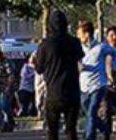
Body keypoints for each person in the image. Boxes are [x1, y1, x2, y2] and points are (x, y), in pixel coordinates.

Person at [34, 10, 84, 140]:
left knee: (52, 130)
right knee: (71, 129)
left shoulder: (45, 44)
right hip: (72, 90)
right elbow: (80, 57)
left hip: (53, 91)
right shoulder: (74, 42)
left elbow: (39, 69)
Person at [76, 20, 115, 140]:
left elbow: (113, 55)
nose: (78, 37)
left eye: (80, 34)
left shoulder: (101, 47)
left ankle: (89, 137)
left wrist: (110, 72)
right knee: (88, 113)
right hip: (84, 86)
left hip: (98, 85)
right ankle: (104, 128)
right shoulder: (78, 48)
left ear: (87, 34)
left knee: (92, 111)